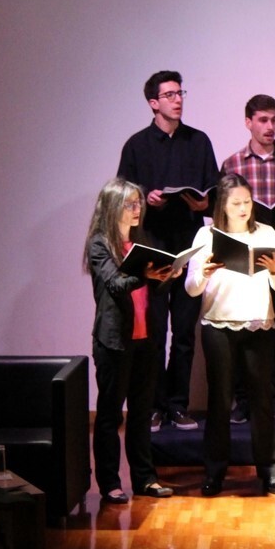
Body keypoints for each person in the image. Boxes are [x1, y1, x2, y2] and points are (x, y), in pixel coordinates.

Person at [115, 70, 218, 432]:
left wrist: (203, 203)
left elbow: (214, 194)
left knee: (185, 333)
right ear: (153, 103)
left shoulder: (198, 141)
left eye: (180, 93)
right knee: (155, 332)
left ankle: (178, 405)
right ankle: (154, 405)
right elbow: (121, 197)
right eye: (170, 95)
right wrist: (147, 199)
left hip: (190, 245)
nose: (177, 100)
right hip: (153, 245)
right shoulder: (137, 145)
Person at [183, 173, 275, 497]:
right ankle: (215, 472)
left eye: (247, 202)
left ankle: (269, 470)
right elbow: (191, 289)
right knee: (219, 400)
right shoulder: (206, 235)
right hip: (219, 325)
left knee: (262, 399)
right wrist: (202, 274)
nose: (244, 208)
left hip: (259, 325)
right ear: (223, 206)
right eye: (236, 203)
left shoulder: (265, 232)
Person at [82, 179, 178, 503]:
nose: (138, 209)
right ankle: (109, 483)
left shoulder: (140, 239)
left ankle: (145, 479)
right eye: (130, 204)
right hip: (114, 341)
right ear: (113, 208)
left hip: (145, 338)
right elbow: (116, 284)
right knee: (110, 415)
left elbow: (151, 290)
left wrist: (167, 275)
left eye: (139, 203)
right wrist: (145, 275)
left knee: (141, 412)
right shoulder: (100, 244)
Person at [220, 94, 275, 425]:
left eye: (274, 120)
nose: (270, 126)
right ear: (249, 122)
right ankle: (244, 401)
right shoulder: (232, 164)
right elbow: (222, 213)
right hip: (244, 262)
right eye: (263, 120)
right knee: (244, 331)